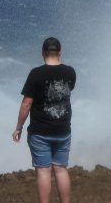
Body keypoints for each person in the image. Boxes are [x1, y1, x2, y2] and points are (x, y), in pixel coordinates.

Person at [12, 37, 77, 203]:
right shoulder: (70, 72)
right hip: (63, 130)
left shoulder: (36, 74)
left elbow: (26, 104)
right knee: (61, 170)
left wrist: (19, 127)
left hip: (40, 132)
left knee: (43, 171)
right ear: (60, 53)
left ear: (43, 53)